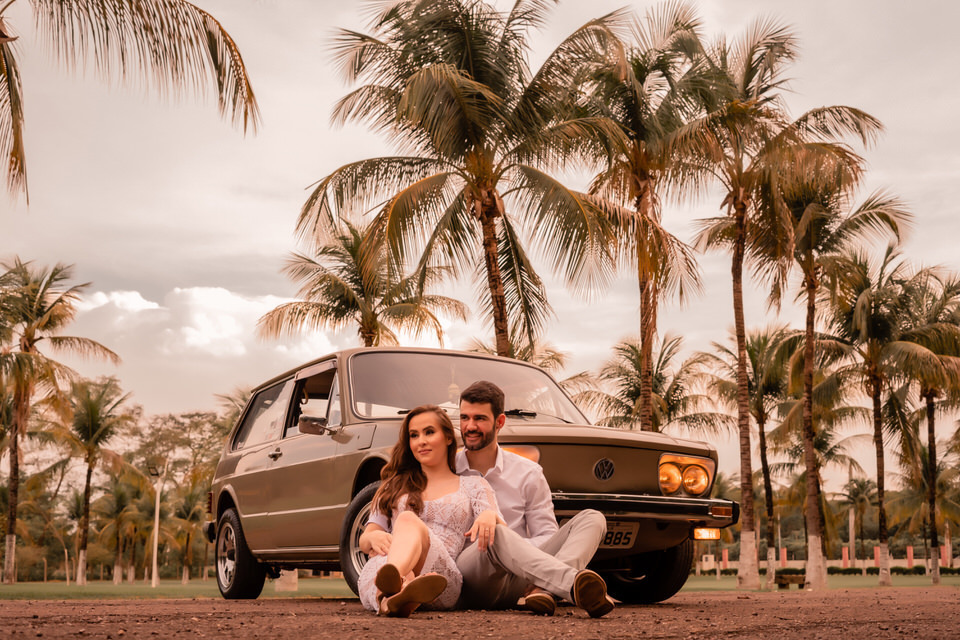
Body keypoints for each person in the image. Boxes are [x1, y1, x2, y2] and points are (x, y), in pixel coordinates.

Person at [455, 380, 614, 617]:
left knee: (593, 518)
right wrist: (509, 544)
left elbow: (546, 534)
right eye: (464, 418)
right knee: (495, 532)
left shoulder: (528, 472)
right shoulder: (449, 469)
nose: (469, 426)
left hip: (521, 579)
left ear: (500, 422)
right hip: (474, 577)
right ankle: (568, 584)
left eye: (479, 418)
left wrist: (518, 555)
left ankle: (545, 590)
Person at [357, 404, 501, 617]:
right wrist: (374, 536)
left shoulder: (474, 485)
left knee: (407, 518)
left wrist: (490, 514)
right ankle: (392, 598)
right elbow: (365, 539)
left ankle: (394, 582)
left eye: (429, 432)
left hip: (439, 576)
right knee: (388, 554)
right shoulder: (393, 486)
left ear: (448, 438)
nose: (421, 441)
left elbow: (501, 532)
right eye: (414, 435)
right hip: (383, 563)